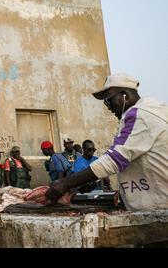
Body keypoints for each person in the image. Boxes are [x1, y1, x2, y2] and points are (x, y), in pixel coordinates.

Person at [46, 74, 168, 211]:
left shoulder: (140, 114)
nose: (108, 107)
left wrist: (65, 183)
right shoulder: (151, 112)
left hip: (161, 209)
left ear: (124, 95)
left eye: (109, 101)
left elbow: (115, 159)